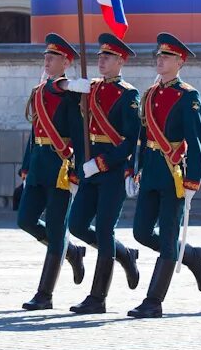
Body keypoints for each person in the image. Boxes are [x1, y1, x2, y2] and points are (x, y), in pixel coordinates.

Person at [58, 33, 142, 314]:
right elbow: (59, 96)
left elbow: (131, 140)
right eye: (99, 56)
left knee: (105, 230)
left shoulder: (128, 94)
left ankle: (97, 297)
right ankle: (125, 254)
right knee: (78, 225)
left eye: (107, 57)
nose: (101, 61)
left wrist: (103, 162)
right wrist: (71, 86)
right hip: (88, 168)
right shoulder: (90, 88)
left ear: (120, 61)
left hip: (111, 170)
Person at [129, 32, 201, 319]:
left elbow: (195, 141)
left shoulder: (188, 96)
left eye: (167, 56)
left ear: (180, 61)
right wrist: (134, 168)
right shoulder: (149, 94)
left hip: (173, 173)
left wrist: (193, 180)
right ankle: (190, 255)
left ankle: (153, 301)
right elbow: (142, 135)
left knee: (169, 234)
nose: (160, 60)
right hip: (150, 170)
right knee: (141, 232)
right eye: (159, 55)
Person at [17, 33, 87, 311]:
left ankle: (44, 294)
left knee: (57, 229)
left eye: (53, 57)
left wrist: (78, 169)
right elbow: (35, 133)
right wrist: (25, 166)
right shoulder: (40, 90)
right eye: (46, 56)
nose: (47, 60)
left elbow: (79, 136)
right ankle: (70, 251)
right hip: (38, 165)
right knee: (25, 220)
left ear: (66, 61)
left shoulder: (69, 95)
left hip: (60, 166)